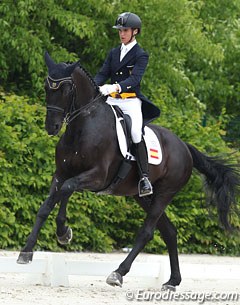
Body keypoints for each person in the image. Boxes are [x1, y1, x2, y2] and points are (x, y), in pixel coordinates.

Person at [94, 12, 160, 197]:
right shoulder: (114, 53)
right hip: (111, 100)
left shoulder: (141, 55)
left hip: (130, 101)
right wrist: (94, 85)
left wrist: (114, 86)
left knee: (135, 134)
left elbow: (135, 79)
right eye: (120, 31)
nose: (122, 34)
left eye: (125, 30)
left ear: (135, 32)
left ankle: (144, 178)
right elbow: (102, 73)